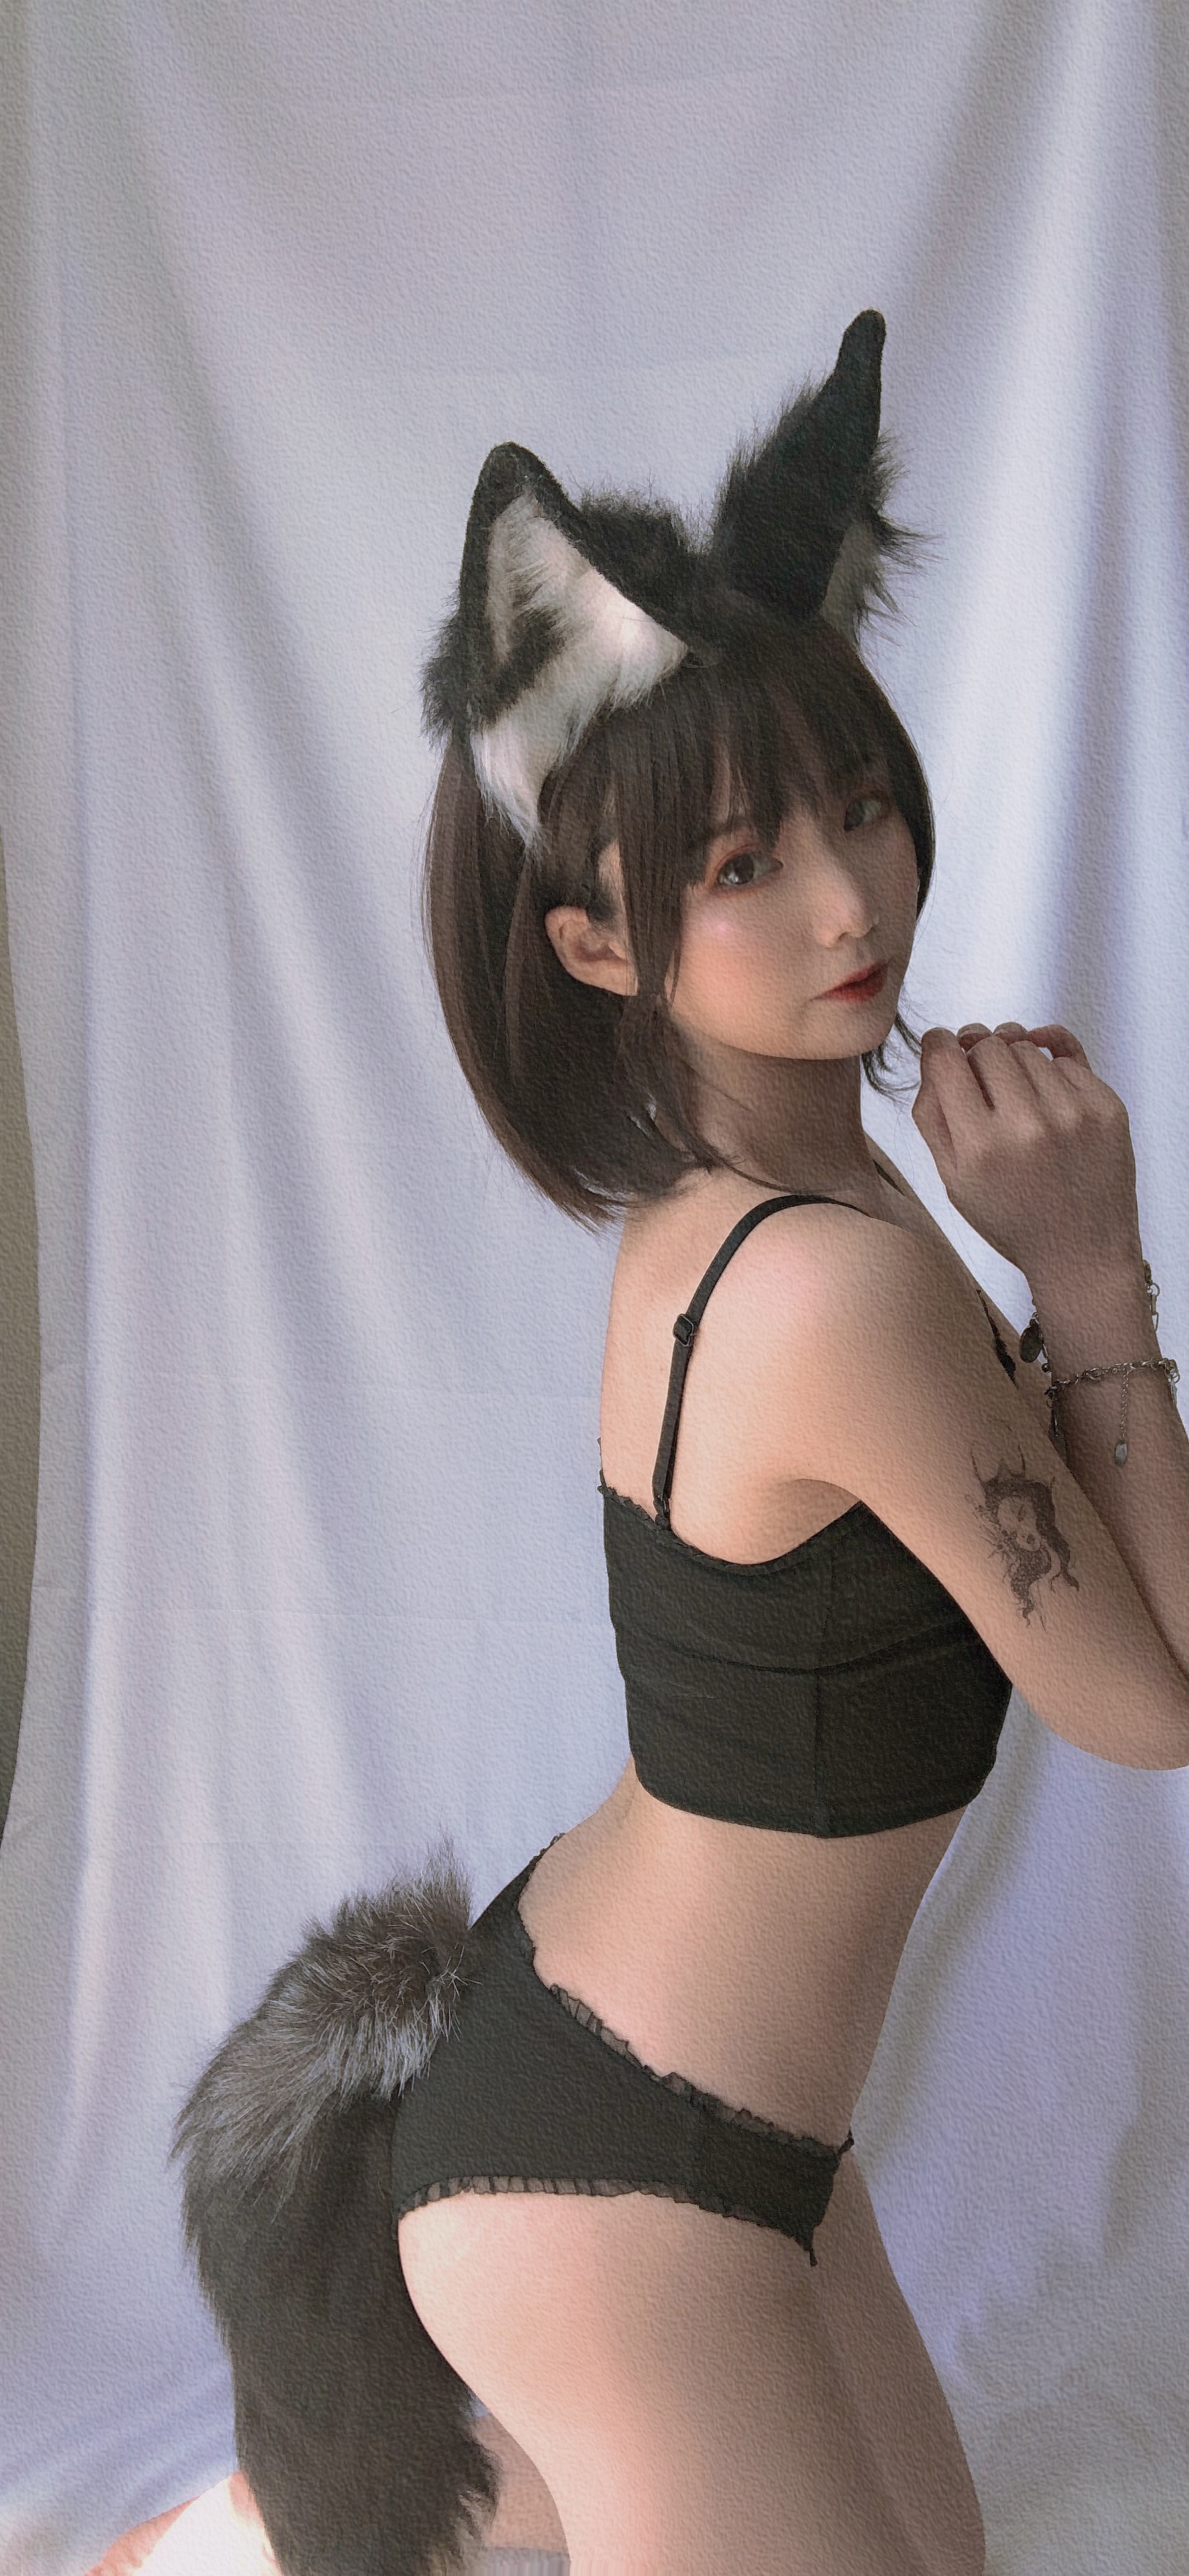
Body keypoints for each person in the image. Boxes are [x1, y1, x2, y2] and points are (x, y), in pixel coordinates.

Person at [173, 312, 1189, 2576]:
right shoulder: (826, 1282)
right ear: (594, 943)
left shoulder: (759, 1199)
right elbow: (1153, 1698)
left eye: (857, 808)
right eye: (740, 864)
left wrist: (1048, 1289)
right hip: (609, 2184)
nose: (847, 899)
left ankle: (302, 2517)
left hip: (736, 2140)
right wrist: (1093, 1273)